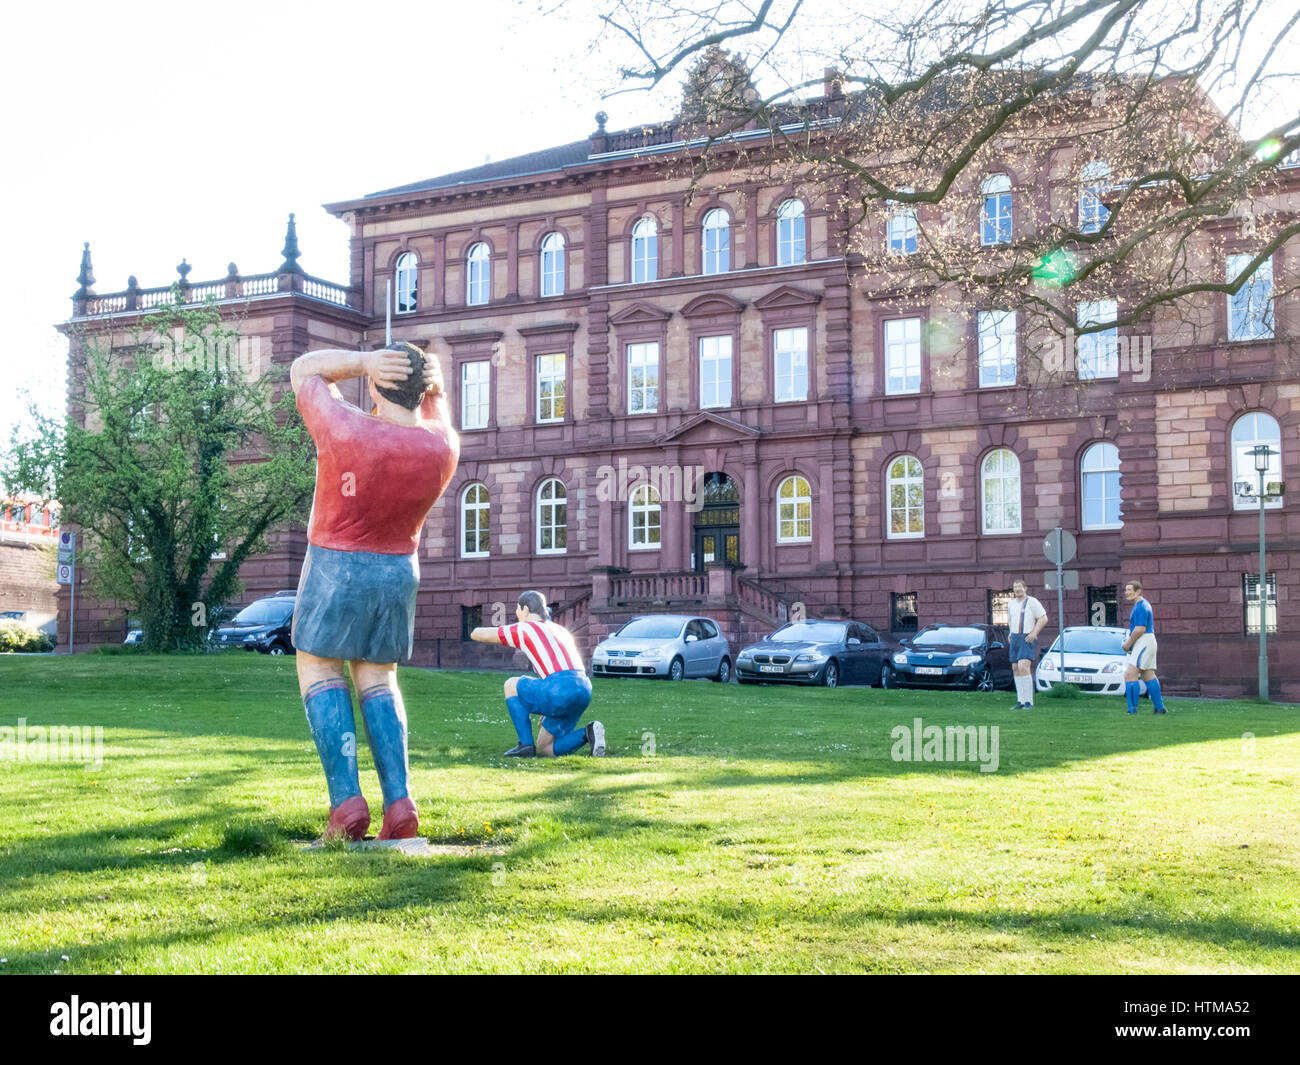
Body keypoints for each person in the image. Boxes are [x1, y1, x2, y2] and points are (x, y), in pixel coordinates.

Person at [289, 342, 459, 841]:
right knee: (380, 679)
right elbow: (438, 412)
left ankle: (346, 803)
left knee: (320, 667)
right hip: (399, 571)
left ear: (376, 386)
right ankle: (400, 804)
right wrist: (433, 387)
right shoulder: (443, 446)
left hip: (335, 566)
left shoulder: (346, 428)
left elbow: (303, 371)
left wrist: (364, 361)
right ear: (425, 390)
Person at [470, 590, 605, 758]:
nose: (517, 613)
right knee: (545, 749)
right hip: (583, 688)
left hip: (559, 688)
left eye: (518, 609)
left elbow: (480, 634)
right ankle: (588, 732)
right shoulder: (560, 630)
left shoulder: (525, 628)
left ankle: (525, 745)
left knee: (511, 685)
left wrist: (474, 630)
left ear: (525, 609)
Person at [1121, 578, 1167, 714]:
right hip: (1146, 641)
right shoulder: (1141, 605)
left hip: (1144, 641)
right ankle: (1160, 708)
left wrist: (1128, 644)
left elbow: (1140, 629)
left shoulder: (1141, 606)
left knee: (1129, 674)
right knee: (1148, 675)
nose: (1126, 592)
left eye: (1129, 590)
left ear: (1138, 591)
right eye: (1126, 590)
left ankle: (1132, 710)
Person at [1007, 578, 1047, 709]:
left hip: (1026, 638)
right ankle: (1021, 701)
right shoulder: (1011, 604)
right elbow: (1010, 620)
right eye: (1015, 587)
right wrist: (1010, 633)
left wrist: (1034, 633)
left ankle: (1029, 702)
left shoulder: (1032, 602)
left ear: (1025, 588)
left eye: (1019, 586)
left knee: (1023, 666)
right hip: (1015, 638)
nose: (1017, 589)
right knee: (1015, 668)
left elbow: (1043, 618)